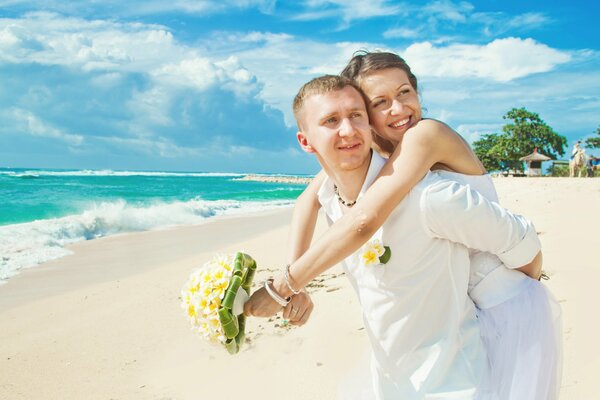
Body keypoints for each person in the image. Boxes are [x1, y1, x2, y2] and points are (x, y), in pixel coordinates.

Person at [281, 51, 561, 399]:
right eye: (380, 102)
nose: (398, 109)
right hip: (457, 296)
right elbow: (308, 199)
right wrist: (295, 278)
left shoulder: (423, 136)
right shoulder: (377, 146)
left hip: (498, 293)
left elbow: (365, 219)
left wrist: (286, 283)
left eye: (405, 93)